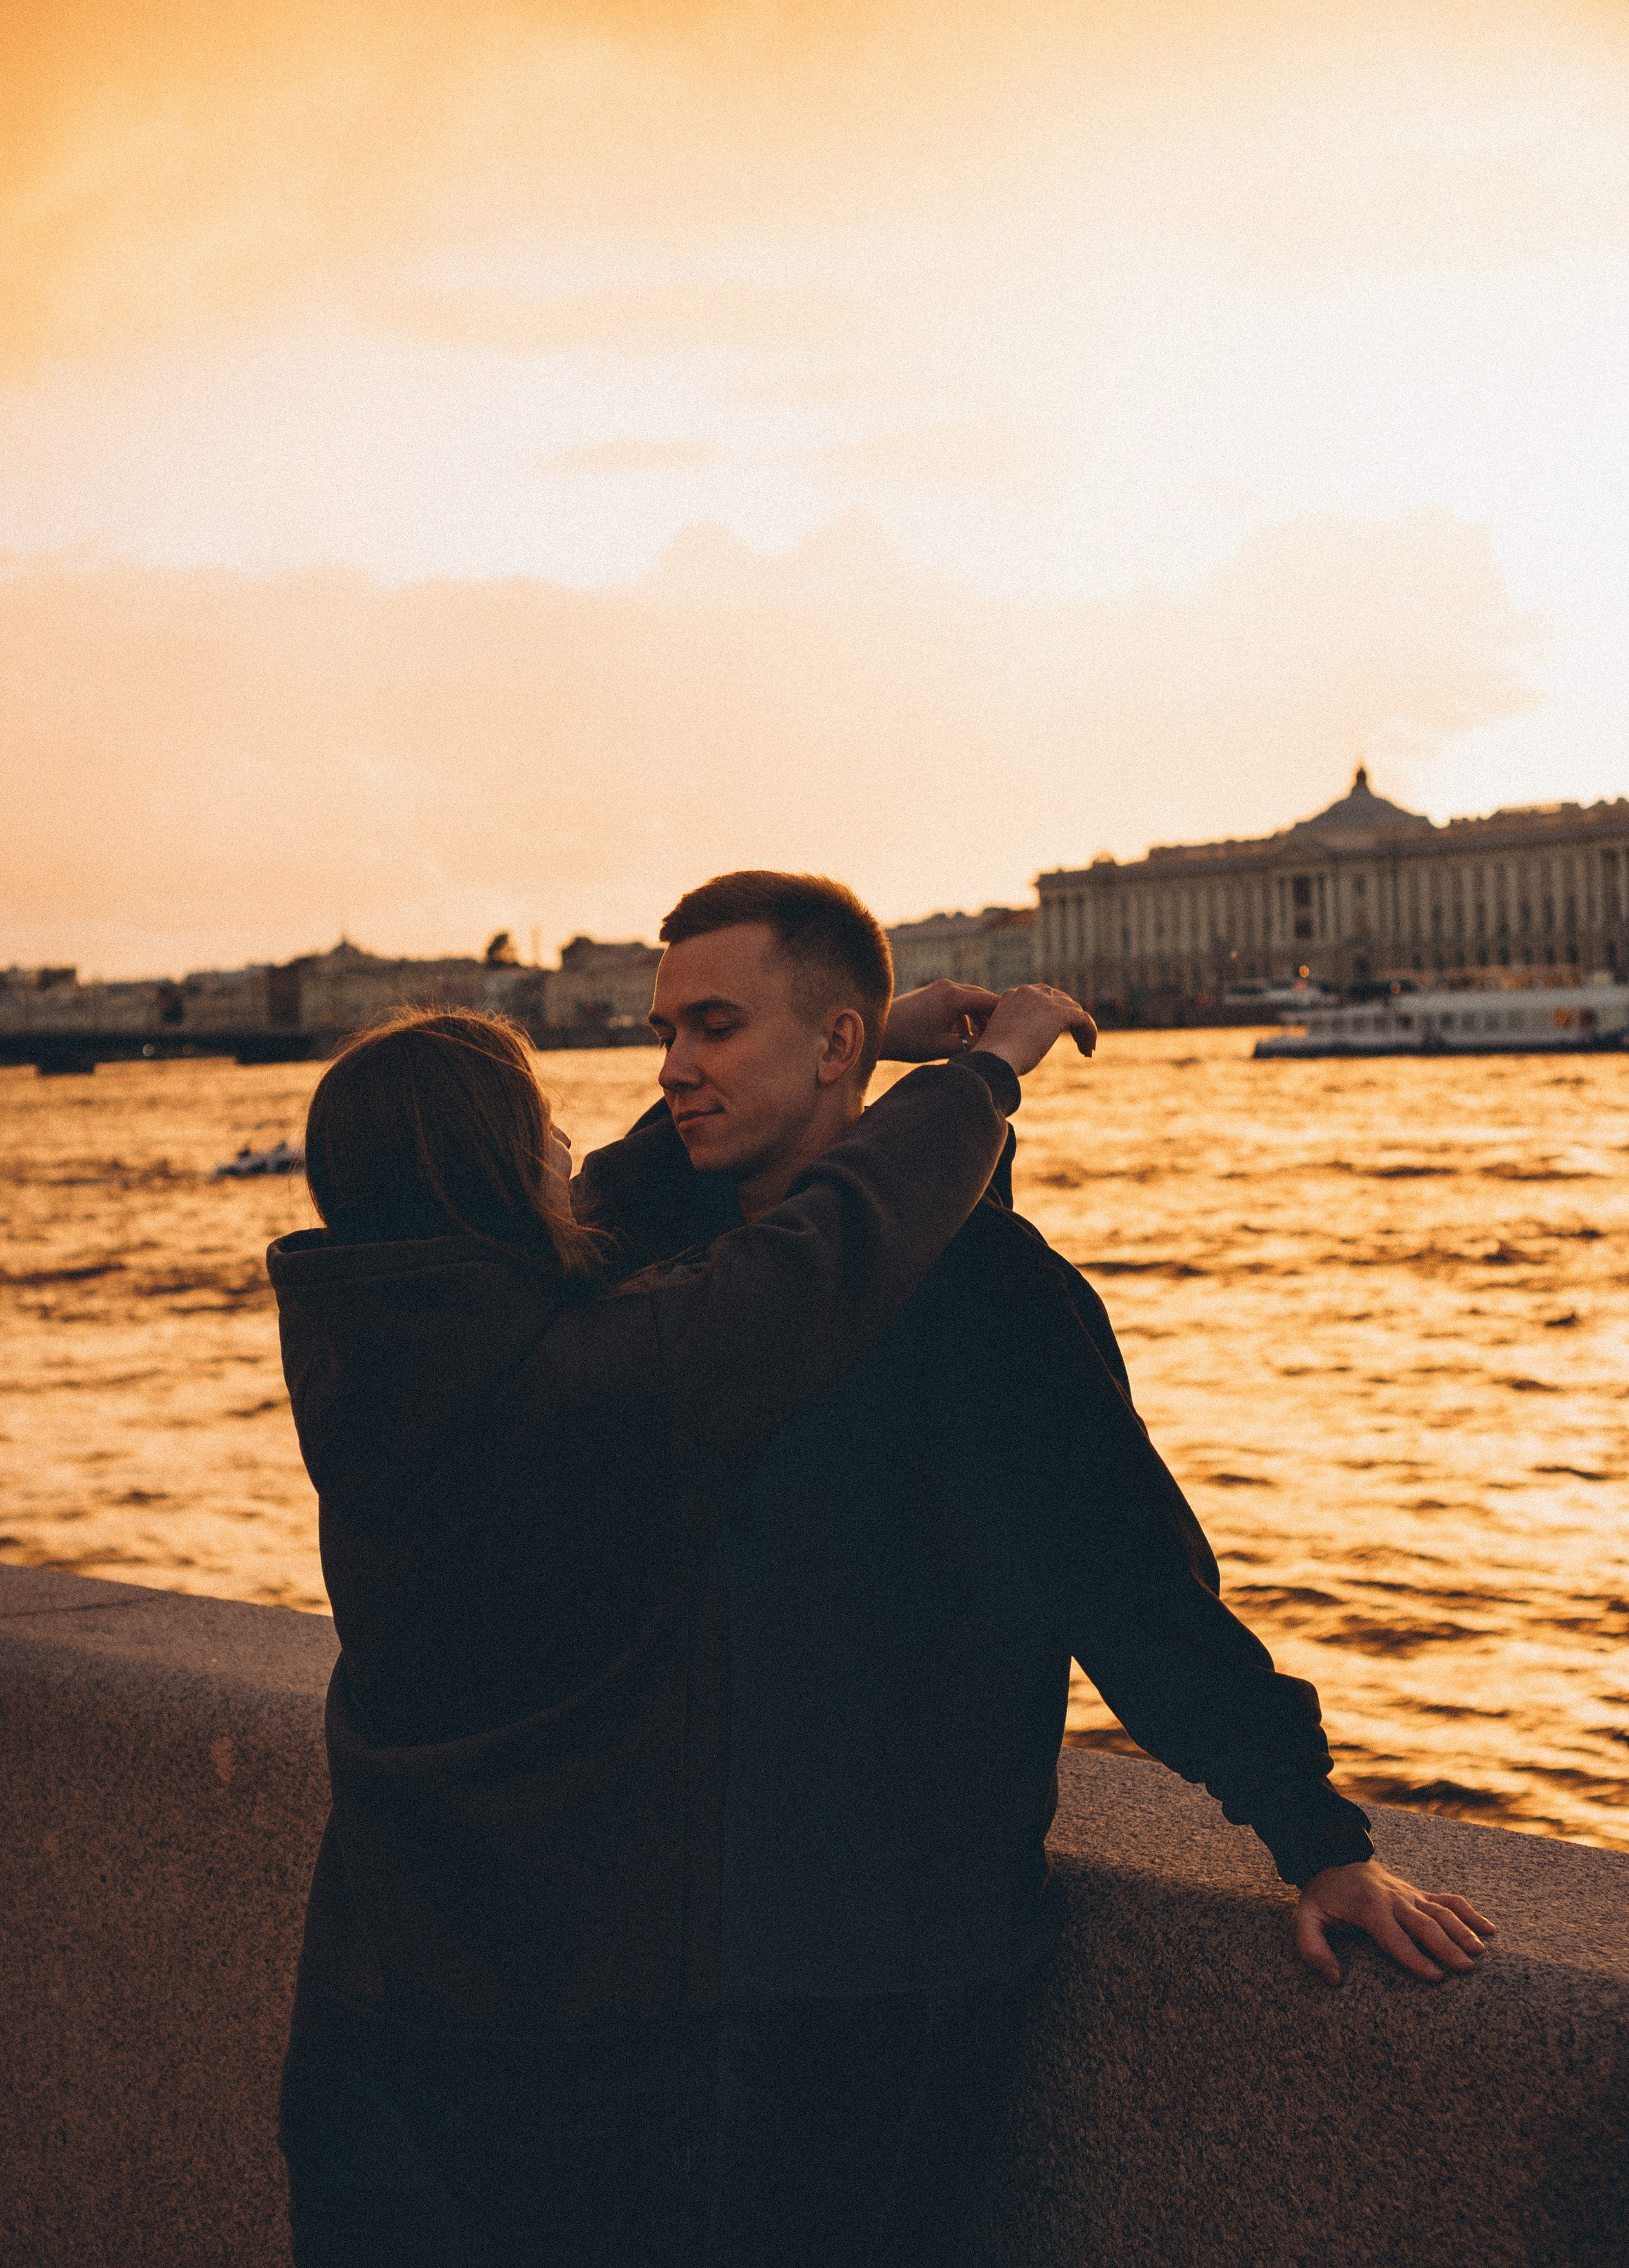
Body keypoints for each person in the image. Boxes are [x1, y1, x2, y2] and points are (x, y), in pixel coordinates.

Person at [574, 872, 1497, 2268]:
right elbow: (582, 1207)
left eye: (712, 1027)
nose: (672, 1070)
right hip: (682, 1943)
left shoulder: (991, 1294)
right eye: (666, 1031)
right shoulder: (675, 1260)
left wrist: (1314, 1837)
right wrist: (884, 1048)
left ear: (826, 1046)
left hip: (885, 1963)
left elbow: (1127, 1582)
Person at [267, 988, 1087, 2267]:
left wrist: (852, 1030)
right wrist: (981, 1075)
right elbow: (835, 1241)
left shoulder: (369, 1349)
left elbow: (591, 1211)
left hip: (367, 2018)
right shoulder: (594, 1383)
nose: (567, 1142)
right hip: (554, 2057)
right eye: (540, 1122)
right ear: (492, 1163)